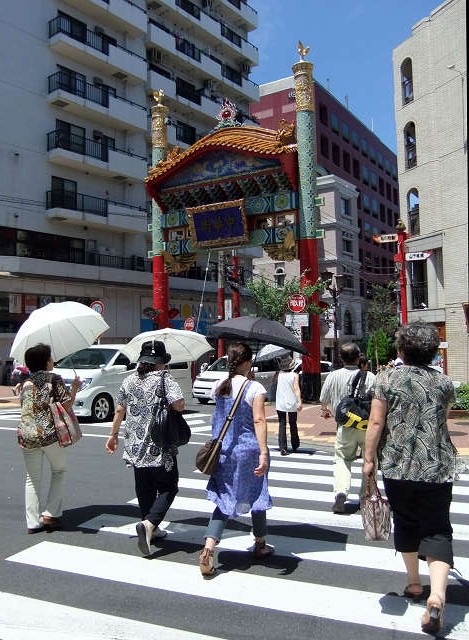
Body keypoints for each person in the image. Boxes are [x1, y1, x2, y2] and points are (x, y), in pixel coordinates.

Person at [363, 321, 456, 635]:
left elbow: (376, 422)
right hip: (437, 464)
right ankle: (438, 595)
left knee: (405, 521)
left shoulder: (387, 378)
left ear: (402, 349)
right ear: (432, 351)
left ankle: (414, 583)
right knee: (437, 527)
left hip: (398, 464)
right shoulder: (443, 382)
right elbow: (442, 421)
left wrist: (368, 459)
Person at [199, 342, 273, 577]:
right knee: (257, 494)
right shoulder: (255, 388)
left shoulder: (220, 386)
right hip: (249, 450)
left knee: (224, 499)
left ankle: (209, 548)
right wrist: (263, 452)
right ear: (248, 362)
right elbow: (259, 420)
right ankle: (260, 544)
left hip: (224, 451)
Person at [105, 340, 184, 557]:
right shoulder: (165, 379)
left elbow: (119, 410)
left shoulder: (129, 380)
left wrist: (113, 435)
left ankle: (151, 528)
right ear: (160, 362)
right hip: (159, 445)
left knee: (144, 487)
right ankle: (149, 524)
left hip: (135, 445)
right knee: (169, 487)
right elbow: (179, 404)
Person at [18, 343, 80, 533]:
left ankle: (32, 522)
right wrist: (75, 388)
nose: (53, 360)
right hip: (49, 434)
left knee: (32, 478)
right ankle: (50, 514)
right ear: (45, 361)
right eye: (50, 357)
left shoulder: (26, 382)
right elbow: (66, 406)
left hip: (27, 435)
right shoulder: (53, 379)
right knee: (59, 470)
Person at [319, 342, 375, 513]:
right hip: (367, 426)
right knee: (369, 460)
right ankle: (365, 496)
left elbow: (323, 399)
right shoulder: (370, 377)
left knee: (342, 458)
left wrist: (325, 410)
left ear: (341, 358)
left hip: (344, 426)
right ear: (358, 358)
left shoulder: (333, 376)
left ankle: (341, 491)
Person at [275, 354, 302, 455]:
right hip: (292, 402)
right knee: (293, 423)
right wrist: (299, 401)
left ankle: (283, 447)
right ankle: (295, 444)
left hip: (280, 402)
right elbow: (296, 388)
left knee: (282, 423)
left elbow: (274, 384)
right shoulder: (294, 375)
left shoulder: (278, 374)